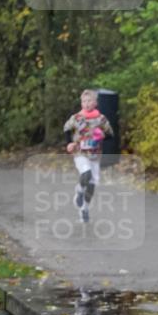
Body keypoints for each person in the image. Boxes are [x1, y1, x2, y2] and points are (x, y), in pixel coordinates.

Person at [64, 89, 113, 223]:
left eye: (89, 101)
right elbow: (67, 129)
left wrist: (103, 135)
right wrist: (69, 143)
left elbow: (110, 135)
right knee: (86, 173)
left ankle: (84, 209)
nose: (86, 104)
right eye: (84, 101)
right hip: (80, 152)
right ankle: (79, 191)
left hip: (95, 155)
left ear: (95, 102)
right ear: (81, 103)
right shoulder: (76, 118)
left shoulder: (101, 119)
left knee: (92, 184)